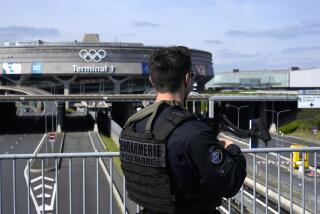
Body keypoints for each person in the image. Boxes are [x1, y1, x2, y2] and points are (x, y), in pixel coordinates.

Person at [119, 46, 246, 214]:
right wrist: (231, 147)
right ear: (187, 79)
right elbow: (230, 183)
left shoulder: (132, 126)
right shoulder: (194, 133)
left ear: (152, 80)